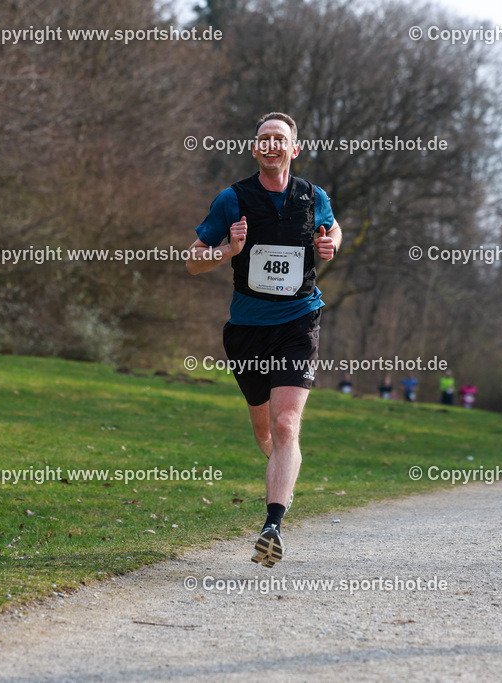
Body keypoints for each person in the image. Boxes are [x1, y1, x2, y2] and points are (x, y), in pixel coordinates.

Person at [185, 112, 342, 568]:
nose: (272, 145)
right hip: (248, 330)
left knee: (286, 425)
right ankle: (283, 476)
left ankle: (272, 525)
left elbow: (332, 228)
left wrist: (331, 244)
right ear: (255, 149)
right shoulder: (233, 199)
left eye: (280, 139)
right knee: (265, 433)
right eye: (264, 139)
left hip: (299, 321)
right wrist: (228, 251)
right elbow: (192, 261)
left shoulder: (313, 196)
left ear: (294, 149)